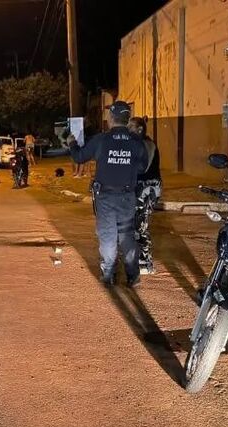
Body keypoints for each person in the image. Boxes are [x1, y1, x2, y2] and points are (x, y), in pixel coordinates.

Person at [68, 101, 147, 288]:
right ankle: (133, 275)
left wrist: (71, 143)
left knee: (108, 237)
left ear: (110, 118)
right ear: (127, 120)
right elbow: (143, 168)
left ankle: (109, 274)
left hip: (105, 198)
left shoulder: (101, 140)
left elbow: (79, 157)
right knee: (127, 236)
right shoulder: (137, 142)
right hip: (127, 197)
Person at [128, 116, 162, 275]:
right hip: (139, 189)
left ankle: (145, 263)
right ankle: (137, 259)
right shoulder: (136, 144)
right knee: (135, 224)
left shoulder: (147, 144)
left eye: (131, 127)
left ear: (140, 129)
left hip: (148, 189)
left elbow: (143, 167)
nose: (128, 130)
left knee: (140, 225)